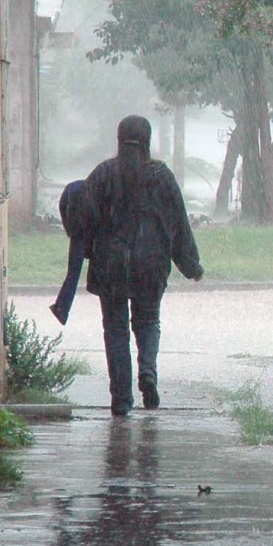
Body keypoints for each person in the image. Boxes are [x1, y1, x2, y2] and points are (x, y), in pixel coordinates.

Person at [83, 115, 203, 416]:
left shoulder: (103, 175)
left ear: (118, 139)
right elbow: (179, 223)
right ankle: (147, 370)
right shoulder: (161, 176)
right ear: (148, 141)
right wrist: (190, 264)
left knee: (115, 330)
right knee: (148, 322)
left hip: (110, 264)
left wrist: (87, 252)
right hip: (151, 263)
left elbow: (83, 218)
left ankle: (121, 398)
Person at [49, 179, 90, 326]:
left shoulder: (73, 188)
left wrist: (70, 230)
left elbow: (62, 206)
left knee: (73, 272)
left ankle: (62, 308)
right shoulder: (103, 187)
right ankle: (62, 308)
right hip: (94, 233)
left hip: (77, 231)